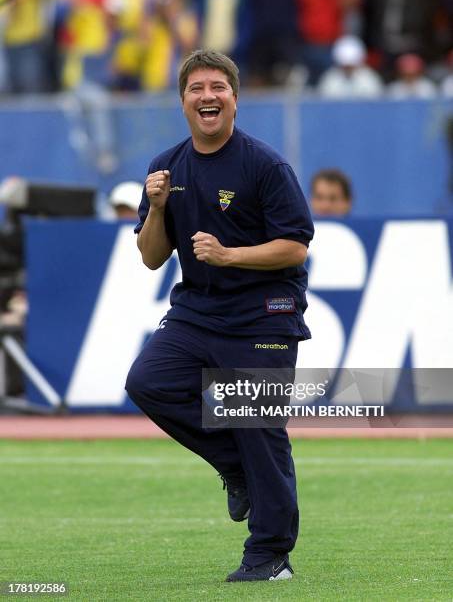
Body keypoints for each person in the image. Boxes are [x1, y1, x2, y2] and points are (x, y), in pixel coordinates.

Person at [125, 49, 314, 582]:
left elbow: (295, 247)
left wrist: (231, 255)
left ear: (234, 97)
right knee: (148, 383)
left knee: (258, 425)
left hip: (263, 314)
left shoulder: (264, 164)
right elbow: (151, 256)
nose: (208, 96)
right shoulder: (166, 166)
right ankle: (237, 469)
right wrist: (157, 208)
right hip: (198, 312)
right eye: (196, 88)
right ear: (182, 100)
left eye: (218, 87)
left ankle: (271, 556)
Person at [318, 35, 383, 98]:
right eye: (345, 67)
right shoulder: (330, 80)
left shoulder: (369, 79)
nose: (348, 70)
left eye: (351, 66)